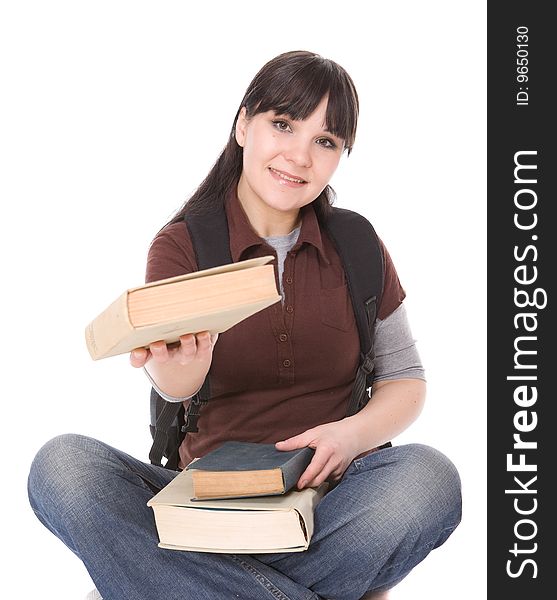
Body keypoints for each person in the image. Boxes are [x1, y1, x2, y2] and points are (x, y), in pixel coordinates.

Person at [28, 50, 462, 600]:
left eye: (325, 142)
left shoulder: (356, 243)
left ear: (340, 156)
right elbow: (173, 383)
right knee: (61, 468)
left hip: (332, 505)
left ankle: (166, 586)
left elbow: (406, 378)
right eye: (283, 125)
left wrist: (351, 435)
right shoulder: (183, 243)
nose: (299, 156)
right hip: (206, 507)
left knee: (429, 478)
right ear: (242, 125)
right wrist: (183, 368)